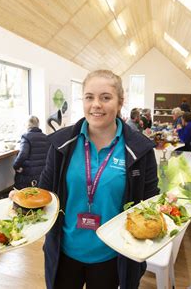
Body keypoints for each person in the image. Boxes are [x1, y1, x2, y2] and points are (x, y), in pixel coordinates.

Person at [38, 69, 159, 289]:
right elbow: (45, 193)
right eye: (89, 97)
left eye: (105, 97)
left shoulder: (140, 150)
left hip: (112, 256)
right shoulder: (61, 143)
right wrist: (21, 201)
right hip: (65, 253)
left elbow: (150, 203)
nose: (96, 104)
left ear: (120, 102)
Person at [12, 116, 50, 189]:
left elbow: (23, 154)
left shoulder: (26, 137)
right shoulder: (46, 137)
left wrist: (15, 166)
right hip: (42, 174)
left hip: (29, 176)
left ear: (28, 125)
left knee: (19, 177)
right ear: (38, 125)